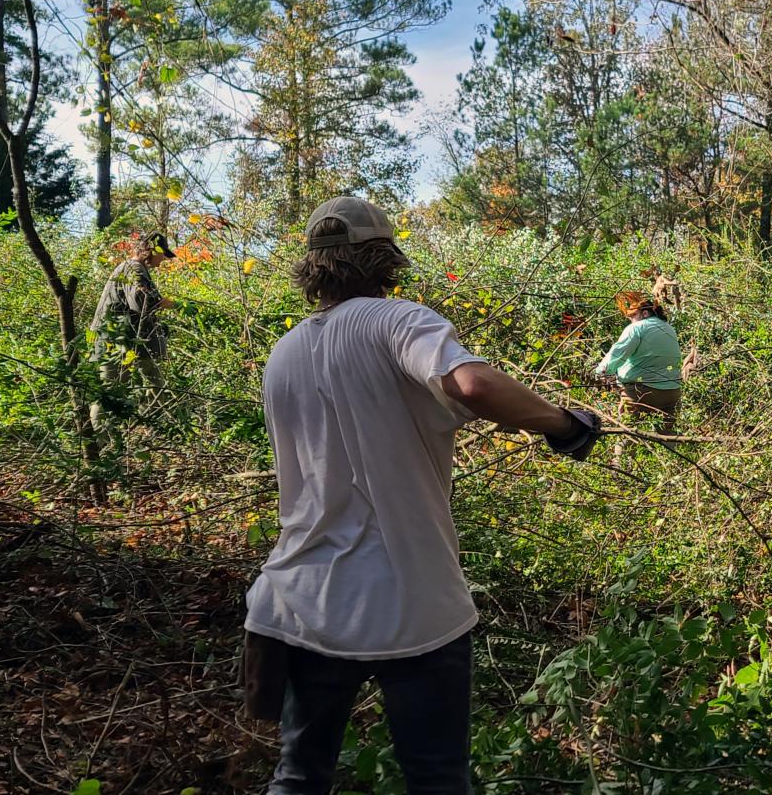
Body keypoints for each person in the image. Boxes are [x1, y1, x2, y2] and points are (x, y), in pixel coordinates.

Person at [243, 196, 600, 794]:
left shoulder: (284, 353)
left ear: (312, 266)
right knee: (436, 778)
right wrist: (565, 425)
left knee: (299, 778)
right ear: (385, 259)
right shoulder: (397, 321)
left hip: (302, 603)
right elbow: (474, 384)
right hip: (411, 602)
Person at [89, 232, 176, 439]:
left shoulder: (135, 269)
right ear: (150, 251)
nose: (163, 259)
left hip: (131, 341)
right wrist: (163, 302)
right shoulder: (133, 269)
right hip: (116, 342)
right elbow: (140, 302)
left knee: (155, 382)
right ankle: (96, 446)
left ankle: (154, 429)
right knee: (112, 392)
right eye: (162, 254)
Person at [597, 291, 684, 436]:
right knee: (668, 437)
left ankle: (623, 458)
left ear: (645, 313)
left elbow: (617, 354)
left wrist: (600, 372)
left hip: (641, 392)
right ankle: (673, 458)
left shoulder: (637, 328)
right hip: (672, 392)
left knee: (627, 436)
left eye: (633, 316)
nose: (631, 320)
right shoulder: (670, 329)